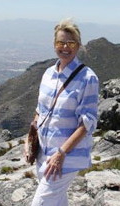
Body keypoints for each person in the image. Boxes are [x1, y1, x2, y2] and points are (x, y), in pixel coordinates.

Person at [24, 18, 99, 206]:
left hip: (65, 158)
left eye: (70, 43)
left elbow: (87, 123)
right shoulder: (48, 74)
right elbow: (39, 111)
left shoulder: (88, 78)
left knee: (40, 203)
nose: (65, 47)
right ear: (54, 44)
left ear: (78, 45)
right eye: (60, 42)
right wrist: (30, 140)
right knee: (56, 202)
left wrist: (61, 153)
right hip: (43, 153)